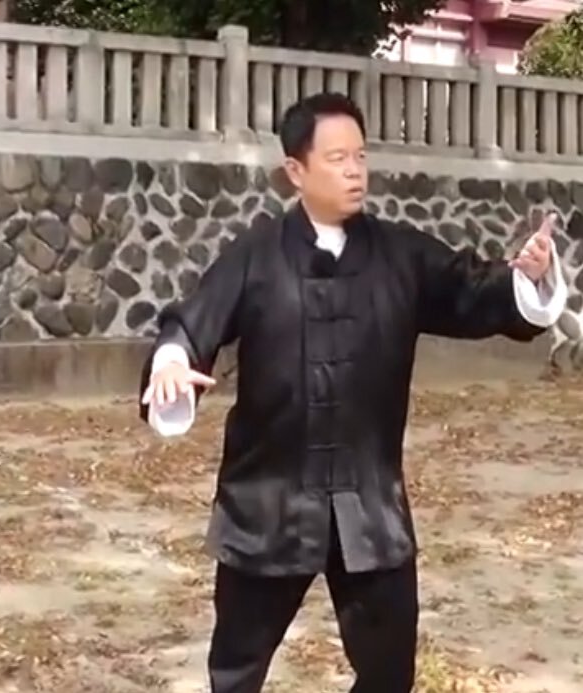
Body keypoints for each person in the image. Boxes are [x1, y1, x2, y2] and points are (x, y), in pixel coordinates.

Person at [139, 92, 566, 693]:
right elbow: (191, 323)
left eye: (360, 156)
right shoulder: (255, 255)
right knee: (235, 672)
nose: (354, 171)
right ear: (296, 170)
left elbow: (473, 290)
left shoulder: (402, 254)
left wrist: (528, 277)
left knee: (390, 673)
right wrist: (172, 362)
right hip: (268, 503)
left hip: (370, 508)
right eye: (337, 158)